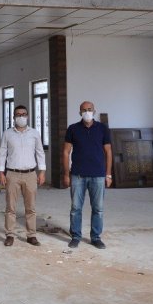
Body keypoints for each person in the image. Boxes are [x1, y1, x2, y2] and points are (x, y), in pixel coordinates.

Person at [63, 101, 113, 249]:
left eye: (89, 109)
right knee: (75, 208)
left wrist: (108, 175)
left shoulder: (102, 128)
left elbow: (108, 152)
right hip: (77, 175)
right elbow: (66, 152)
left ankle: (96, 237)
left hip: (98, 175)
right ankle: (76, 236)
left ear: (94, 111)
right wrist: (66, 174)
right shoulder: (73, 129)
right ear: (80, 112)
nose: (87, 112)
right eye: (84, 110)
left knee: (98, 209)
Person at [0, 105, 46, 247]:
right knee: (10, 207)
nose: (21, 117)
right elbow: (2, 153)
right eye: (18, 114)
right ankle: (10, 235)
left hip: (30, 174)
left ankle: (31, 235)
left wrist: (42, 172)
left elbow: (40, 152)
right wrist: (1, 172)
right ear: (13, 117)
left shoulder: (34, 133)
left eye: (24, 114)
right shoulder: (7, 134)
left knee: (30, 207)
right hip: (12, 174)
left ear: (27, 116)